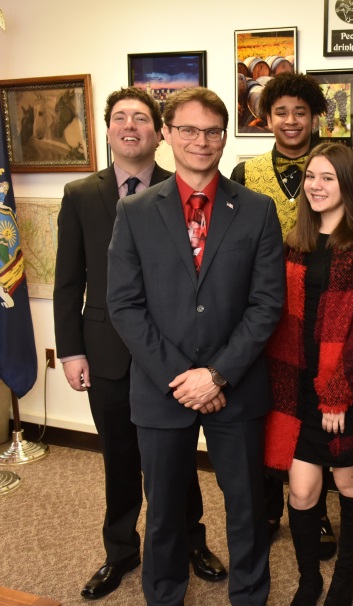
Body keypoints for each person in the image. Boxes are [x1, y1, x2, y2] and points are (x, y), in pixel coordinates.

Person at [106, 87, 285, 606]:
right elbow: (124, 305)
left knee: (247, 507)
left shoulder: (257, 210)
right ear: (166, 134)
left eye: (211, 131)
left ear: (224, 136)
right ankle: (164, 596)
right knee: (163, 511)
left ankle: (250, 596)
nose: (200, 141)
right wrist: (185, 377)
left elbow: (266, 305)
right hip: (163, 390)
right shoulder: (135, 212)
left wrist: (218, 374)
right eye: (187, 129)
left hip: (237, 387)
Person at [53, 87, 225, 600]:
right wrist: (70, 350)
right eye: (121, 118)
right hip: (106, 352)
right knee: (120, 460)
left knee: (176, 460)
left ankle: (192, 542)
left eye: (142, 119)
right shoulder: (82, 195)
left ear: (160, 133)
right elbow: (68, 280)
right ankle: (121, 552)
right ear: (107, 129)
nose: (132, 126)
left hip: (172, 353)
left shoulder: (188, 186)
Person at [264, 142, 353, 606]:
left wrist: (338, 394)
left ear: (349, 185)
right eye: (311, 177)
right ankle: (308, 579)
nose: (317, 186)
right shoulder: (292, 242)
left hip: (346, 388)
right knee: (301, 492)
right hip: (296, 386)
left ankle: (344, 574)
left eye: (329, 178)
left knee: (348, 483)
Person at [230, 71, 337, 558]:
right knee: (266, 412)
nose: (291, 121)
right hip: (259, 316)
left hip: (318, 314)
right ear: (265, 118)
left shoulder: (335, 166)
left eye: (300, 111)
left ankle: (313, 513)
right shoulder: (243, 173)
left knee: (316, 415)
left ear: (314, 116)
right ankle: (269, 508)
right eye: (280, 112)